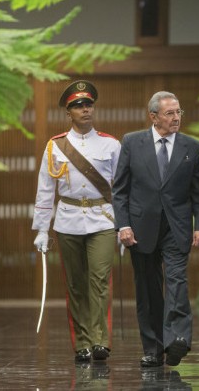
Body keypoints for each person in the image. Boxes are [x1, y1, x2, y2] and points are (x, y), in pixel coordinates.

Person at [112, 91, 199, 368]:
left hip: (177, 227)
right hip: (140, 228)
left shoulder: (193, 147)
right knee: (148, 289)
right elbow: (120, 190)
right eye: (170, 113)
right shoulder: (132, 142)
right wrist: (124, 225)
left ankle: (177, 340)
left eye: (179, 112)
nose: (176, 118)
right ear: (153, 117)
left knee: (177, 282)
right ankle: (153, 348)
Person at [32, 80, 120, 363]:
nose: (84, 109)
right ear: (68, 113)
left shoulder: (111, 144)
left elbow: (121, 189)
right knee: (76, 284)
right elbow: (45, 190)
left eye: (88, 104)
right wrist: (42, 230)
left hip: (103, 220)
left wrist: (125, 224)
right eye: (78, 106)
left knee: (99, 280)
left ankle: (100, 340)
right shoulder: (55, 146)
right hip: (68, 221)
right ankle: (82, 342)